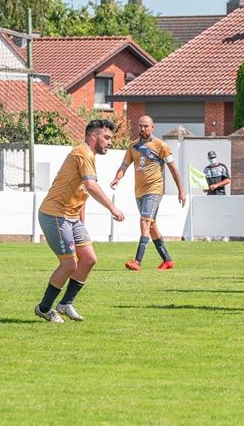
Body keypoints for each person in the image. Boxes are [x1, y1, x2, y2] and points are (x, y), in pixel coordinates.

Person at [34, 119, 125, 323]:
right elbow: (90, 186)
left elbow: (81, 190)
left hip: (72, 218)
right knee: (69, 264)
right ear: (94, 137)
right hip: (55, 215)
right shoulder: (82, 153)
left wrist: (81, 221)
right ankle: (44, 308)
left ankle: (66, 303)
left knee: (89, 259)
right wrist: (112, 207)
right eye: (107, 138)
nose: (110, 142)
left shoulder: (88, 155)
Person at [110, 115, 186, 272]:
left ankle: (137, 261)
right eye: (140, 126)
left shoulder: (161, 146)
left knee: (144, 222)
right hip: (139, 191)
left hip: (155, 190)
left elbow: (173, 169)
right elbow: (124, 165)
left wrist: (181, 190)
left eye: (146, 126)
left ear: (153, 127)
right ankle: (167, 260)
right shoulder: (133, 146)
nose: (142, 129)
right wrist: (117, 177)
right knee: (151, 226)